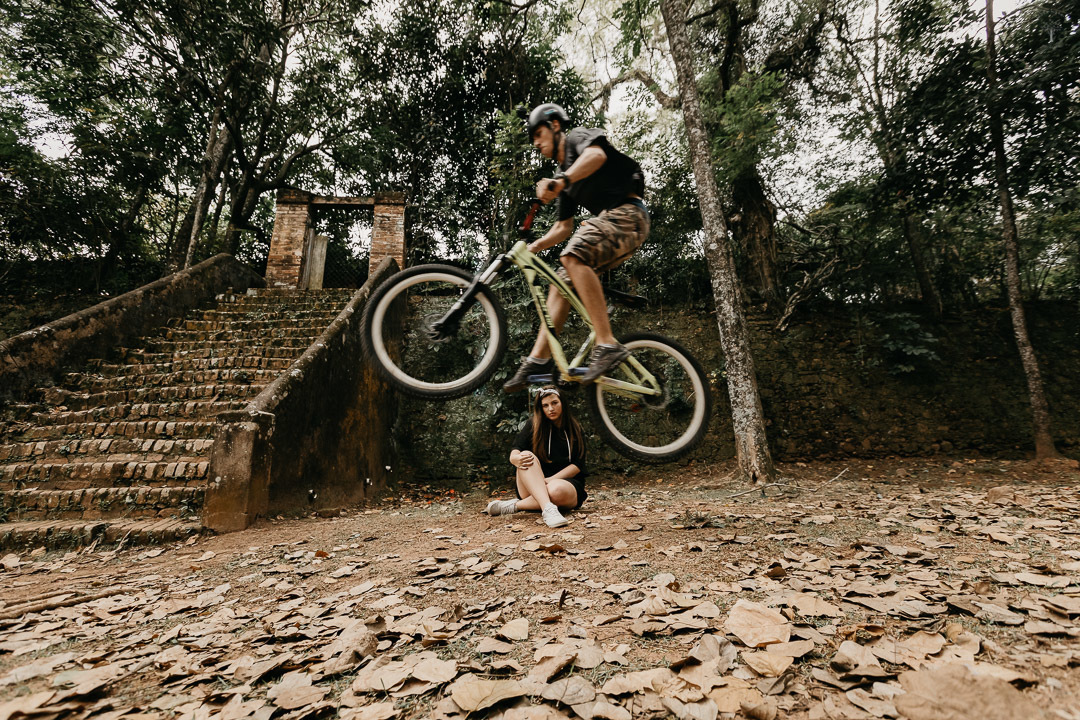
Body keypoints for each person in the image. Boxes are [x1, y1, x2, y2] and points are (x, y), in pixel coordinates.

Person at [502, 103, 650, 393]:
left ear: (555, 125)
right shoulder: (565, 178)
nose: (536, 142)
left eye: (539, 133)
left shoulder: (575, 140)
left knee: (572, 255)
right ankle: (538, 360)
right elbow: (562, 228)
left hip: (629, 215)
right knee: (561, 280)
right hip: (616, 224)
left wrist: (561, 180)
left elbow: (597, 156)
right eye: (532, 138)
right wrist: (531, 249)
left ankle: (606, 343)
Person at [486, 386, 587, 528]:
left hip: (565, 485)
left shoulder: (575, 428)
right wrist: (515, 458)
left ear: (562, 402)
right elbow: (515, 451)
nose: (550, 408)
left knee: (555, 490)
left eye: (554, 403)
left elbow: (578, 465)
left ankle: (516, 505)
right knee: (526, 455)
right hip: (531, 485)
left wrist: (549, 480)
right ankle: (548, 509)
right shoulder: (533, 425)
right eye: (545, 405)